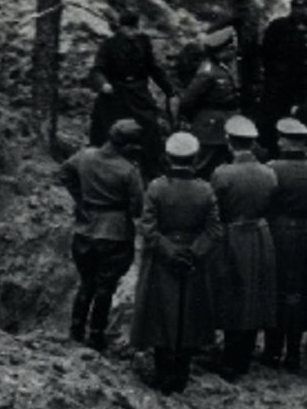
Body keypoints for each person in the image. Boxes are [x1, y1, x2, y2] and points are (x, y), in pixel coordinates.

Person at [132, 133, 221, 394]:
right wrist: (193, 253)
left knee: (161, 316)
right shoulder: (205, 189)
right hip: (193, 262)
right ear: (194, 158)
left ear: (168, 158)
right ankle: (181, 375)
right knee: (189, 316)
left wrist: (170, 252)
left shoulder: (157, 187)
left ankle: (163, 375)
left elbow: (148, 227)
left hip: (162, 261)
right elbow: (214, 229)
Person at [61, 120, 147, 351]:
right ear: (128, 146)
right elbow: (138, 208)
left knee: (85, 283)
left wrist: (80, 200)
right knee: (105, 288)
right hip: (115, 234)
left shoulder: (84, 156)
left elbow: (65, 173)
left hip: (84, 230)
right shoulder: (129, 171)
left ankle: (75, 330)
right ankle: (96, 336)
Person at [210, 116, 280, 378]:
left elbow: (214, 207)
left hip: (233, 236)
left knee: (232, 293)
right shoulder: (269, 173)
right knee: (254, 293)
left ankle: (230, 358)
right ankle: (246, 353)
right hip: (261, 236)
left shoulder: (222, 173)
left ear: (229, 142)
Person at [262, 119, 307, 370]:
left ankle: (272, 350)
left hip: (278, 233)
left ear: (284, 141)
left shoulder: (271, 168)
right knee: (300, 291)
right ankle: (294, 352)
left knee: (276, 290)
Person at [86, 11, 176, 175]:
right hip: (115, 94)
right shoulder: (108, 44)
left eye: (135, 29)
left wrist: (170, 90)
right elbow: (97, 69)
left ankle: (153, 172)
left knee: (150, 130)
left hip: (138, 93)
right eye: (128, 29)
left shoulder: (143, 43)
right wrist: (104, 84)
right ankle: (102, 171)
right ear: (121, 28)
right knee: (107, 132)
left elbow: (153, 68)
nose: (132, 33)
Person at [181, 28, 242, 176]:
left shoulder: (222, 67)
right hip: (210, 127)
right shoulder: (208, 72)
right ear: (221, 51)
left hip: (224, 125)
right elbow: (188, 101)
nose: (233, 53)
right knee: (202, 166)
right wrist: (197, 120)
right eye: (230, 49)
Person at [261, 0, 307, 134]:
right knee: (272, 116)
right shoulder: (278, 25)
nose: (300, 11)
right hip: (277, 80)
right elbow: (265, 52)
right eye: (297, 7)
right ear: (292, 7)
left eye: (304, 7)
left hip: (301, 82)